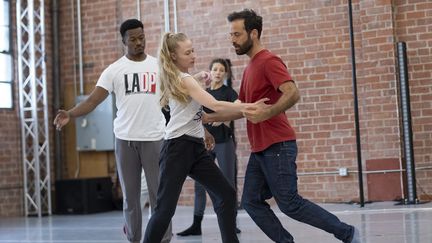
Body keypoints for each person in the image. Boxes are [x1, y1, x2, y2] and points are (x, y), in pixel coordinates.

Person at [204, 9, 361, 243]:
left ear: (253, 33)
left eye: (236, 34)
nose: (232, 40)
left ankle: (347, 233)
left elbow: (292, 92)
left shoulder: (269, 61)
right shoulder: (249, 69)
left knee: (290, 204)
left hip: (277, 144)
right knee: (250, 201)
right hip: (261, 149)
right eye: (231, 35)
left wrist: (268, 111)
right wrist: (205, 119)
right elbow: (240, 106)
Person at [53, 19, 172, 243]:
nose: (139, 43)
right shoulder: (115, 70)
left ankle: (163, 238)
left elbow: (178, 89)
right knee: (131, 198)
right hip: (125, 140)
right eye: (133, 39)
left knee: (160, 196)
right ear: (123, 41)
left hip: (155, 138)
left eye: (142, 37)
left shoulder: (158, 65)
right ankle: (134, 238)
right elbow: (92, 101)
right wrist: (70, 113)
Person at [142, 32, 267, 243]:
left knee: (226, 194)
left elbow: (191, 112)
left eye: (193, 50)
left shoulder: (183, 78)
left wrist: (205, 132)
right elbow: (215, 105)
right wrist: (249, 107)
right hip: (177, 149)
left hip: (195, 148)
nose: (193, 55)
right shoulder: (184, 79)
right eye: (188, 52)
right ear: (173, 55)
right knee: (165, 210)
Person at [176, 58, 241, 237]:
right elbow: (196, 113)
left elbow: (237, 109)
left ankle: (231, 223)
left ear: (225, 74)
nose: (218, 72)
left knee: (228, 183)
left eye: (221, 70)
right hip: (204, 143)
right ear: (210, 72)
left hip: (224, 143)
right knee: (200, 185)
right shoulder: (203, 92)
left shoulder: (229, 92)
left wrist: (222, 119)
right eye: (215, 69)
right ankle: (196, 224)